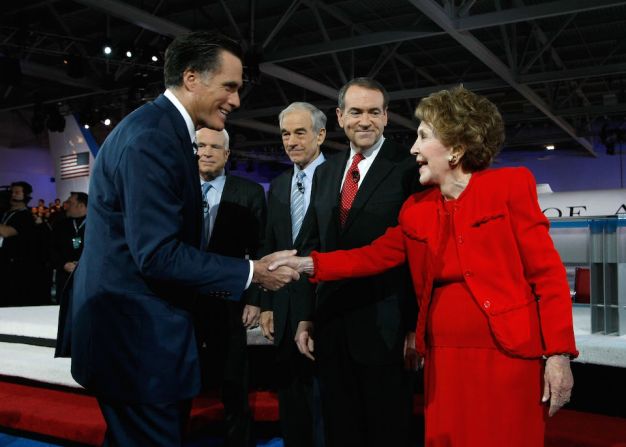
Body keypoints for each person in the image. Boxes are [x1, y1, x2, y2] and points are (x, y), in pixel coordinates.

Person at [270, 86, 578, 447]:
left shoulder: (509, 186)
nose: (413, 149)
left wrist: (558, 355)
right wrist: (307, 263)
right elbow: (372, 255)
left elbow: (548, 275)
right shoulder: (416, 209)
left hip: (508, 354)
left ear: (456, 148)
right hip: (444, 359)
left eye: (423, 137)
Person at [66, 31, 298, 447]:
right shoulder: (155, 138)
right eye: (229, 87)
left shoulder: (157, 129)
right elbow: (158, 255)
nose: (237, 100)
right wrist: (253, 273)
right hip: (136, 344)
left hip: (132, 338)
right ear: (192, 79)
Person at [300, 78, 420, 447]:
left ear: (386, 117)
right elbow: (310, 245)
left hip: (387, 327)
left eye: (373, 112)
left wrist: (416, 328)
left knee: (387, 428)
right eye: (355, 111)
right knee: (340, 426)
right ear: (340, 117)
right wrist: (306, 316)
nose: (364, 120)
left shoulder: (408, 167)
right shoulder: (324, 172)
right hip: (332, 324)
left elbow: (418, 254)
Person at [259, 102, 327, 447]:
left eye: (300, 132)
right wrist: (268, 303)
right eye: (286, 134)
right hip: (283, 311)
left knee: (324, 407)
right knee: (292, 404)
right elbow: (269, 245)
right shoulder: (279, 184)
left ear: (321, 135)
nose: (291, 141)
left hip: (324, 309)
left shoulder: (340, 179)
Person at [194, 127, 266, 447]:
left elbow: (260, 248)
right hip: (182, 300)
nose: (206, 152)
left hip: (227, 297)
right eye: (200, 145)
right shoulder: (176, 189)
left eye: (214, 147)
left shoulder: (248, 192)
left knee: (233, 378)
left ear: (227, 154)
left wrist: (255, 298)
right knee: (180, 376)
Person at [0, 181, 36, 307]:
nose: (12, 195)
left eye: (17, 192)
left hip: (15, 266)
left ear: (25, 196)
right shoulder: (5, 213)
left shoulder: (25, 216)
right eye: (11, 192)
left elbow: (6, 232)